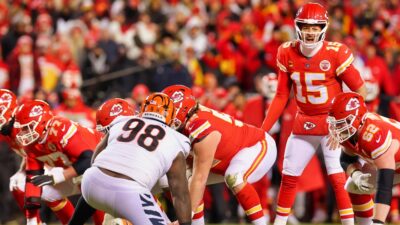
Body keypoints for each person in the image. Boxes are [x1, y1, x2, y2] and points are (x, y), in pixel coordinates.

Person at [260, 3, 368, 225]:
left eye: (315, 27)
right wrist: (263, 130)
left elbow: (360, 90)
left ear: (323, 28)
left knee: (338, 178)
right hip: (304, 121)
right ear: (297, 26)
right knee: (289, 176)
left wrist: (347, 124)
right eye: (305, 26)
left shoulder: (336, 53)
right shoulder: (286, 51)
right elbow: (281, 95)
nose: (310, 31)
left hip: (333, 126)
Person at [163, 84, 277, 225]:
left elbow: (200, 178)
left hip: (257, 146)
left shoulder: (199, 126)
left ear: (182, 109)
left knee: (234, 176)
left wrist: (185, 218)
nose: (165, 115)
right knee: (186, 181)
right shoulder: (189, 121)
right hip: (230, 156)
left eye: (168, 110)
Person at [82, 93, 192, 225]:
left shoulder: (122, 122)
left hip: (90, 183)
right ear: (171, 116)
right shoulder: (177, 140)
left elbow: (95, 159)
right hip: (129, 191)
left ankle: (120, 221)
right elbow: (180, 194)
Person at [13, 99, 104, 225]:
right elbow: (32, 179)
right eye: (21, 129)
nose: (23, 133)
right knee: (48, 193)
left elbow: (89, 160)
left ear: (43, 122)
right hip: (78, 168)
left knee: (89, 182)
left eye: (27, 128)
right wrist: (32, 219)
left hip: (103, 164)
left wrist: (57, 177)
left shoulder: (60, 128)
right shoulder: (32, 144)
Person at [327, 92, 400, 225]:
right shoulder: (353, 131)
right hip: (395, 165)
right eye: (335, 124)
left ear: (357, 118)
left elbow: (385, 185)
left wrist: (378, 221)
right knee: (354, 185)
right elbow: (346, 159)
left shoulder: (374, 135)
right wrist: (356, 174)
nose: (337, 129)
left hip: (393, 164)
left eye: (342, 123)